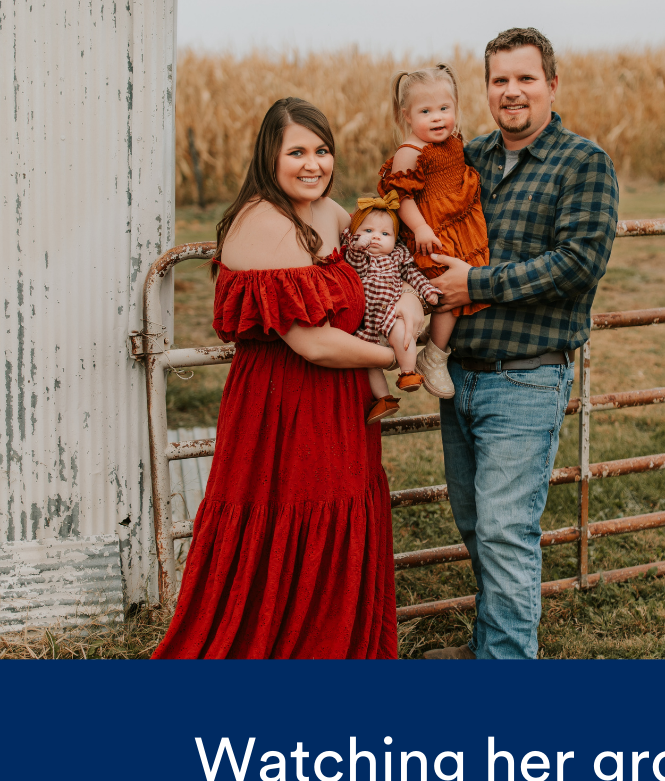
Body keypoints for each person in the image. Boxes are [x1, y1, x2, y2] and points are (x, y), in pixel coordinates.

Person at [153, 97, 422, 659]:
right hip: (285, 408)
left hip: (340, 404)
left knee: (339, 515)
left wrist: (409, 303)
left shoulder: (328, 212)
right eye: (296, 152)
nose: (313, 164)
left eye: (322, 150)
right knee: (291, 525)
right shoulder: (263, 225)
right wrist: (397, 357)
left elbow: (384, 261)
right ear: (269, 157)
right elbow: (314, 344)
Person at [421, 27, 619, 660]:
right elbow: (411, 199)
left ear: (551, 85)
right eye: (500, 80)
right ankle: (491, 644)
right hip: (460, 372)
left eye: (525, 78)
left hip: (526, 376)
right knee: (477, 524)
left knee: (506, 529)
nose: (512, 91)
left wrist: (476, 283)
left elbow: (579, 263)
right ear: (486, 89)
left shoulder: (582, 163)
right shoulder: (466, 158)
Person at [377, 63, 491, 400]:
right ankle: (433, 355)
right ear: (407, 116)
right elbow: (400, 197)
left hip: (457, 231)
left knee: (457, 288)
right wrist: (420, 227)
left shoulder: (451, 142)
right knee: (443, 295)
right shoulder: (409, 152)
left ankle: (421, 344)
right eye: (425, 111)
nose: (438, 118)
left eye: (445, 108)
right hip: (432, 233)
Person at [340, 193, 442, 425]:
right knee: (369, 363)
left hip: (389, 313)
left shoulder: (397, 255)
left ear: (395, 239)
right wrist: (358, 247)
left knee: (402, 333)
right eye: (368, 231)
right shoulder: (356, 256)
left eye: (385, 234)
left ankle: (408, 373)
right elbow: (355, 264)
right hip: (363, 322)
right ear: (354, 234)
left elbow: (413, 275)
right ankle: (384, 399)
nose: (376, 237)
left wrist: (427, 291)